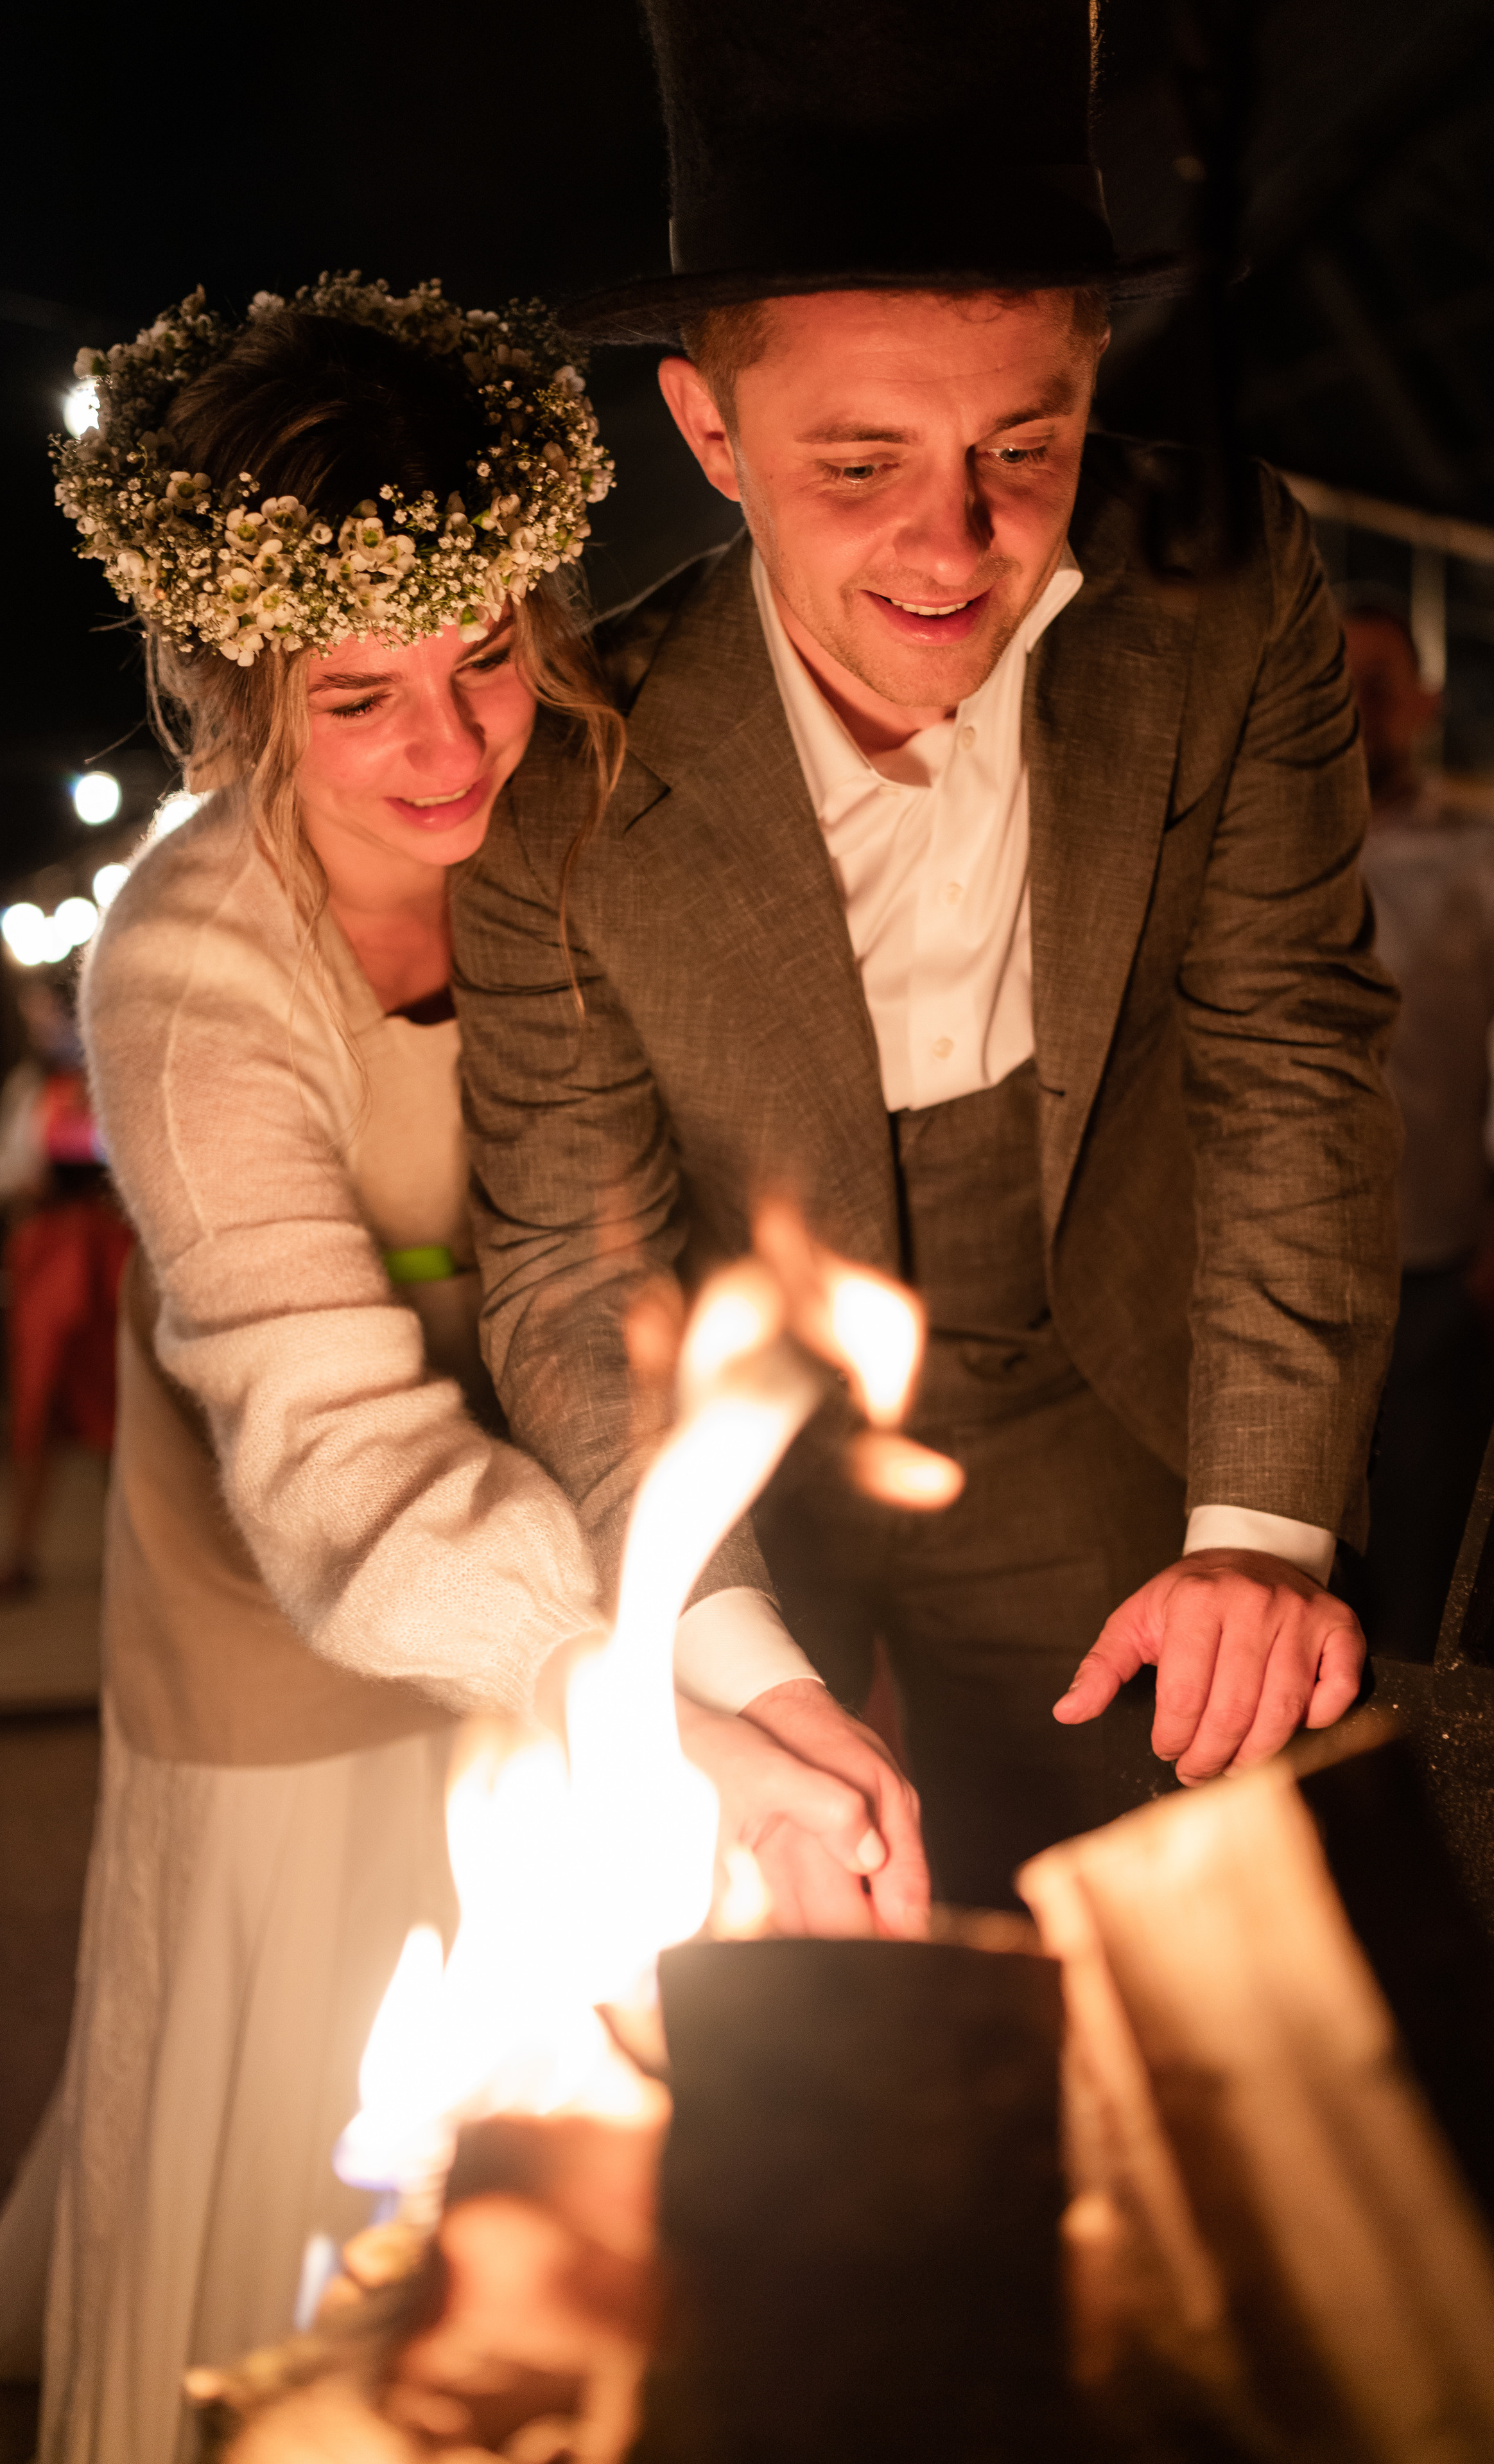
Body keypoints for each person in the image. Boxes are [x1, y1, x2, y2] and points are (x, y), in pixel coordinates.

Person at [0, 275, 926, 2464]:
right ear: (234, 688)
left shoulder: (591, 820)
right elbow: (342, 1469)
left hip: (607, 1531)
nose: (457, 746)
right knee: (320, 2163)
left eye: (491, 654)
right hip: (299, 1598)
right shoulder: (194, 960)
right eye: (362, 693)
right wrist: (667, 1707)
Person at [451, 0, 1401, 1911]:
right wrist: (720, 1673)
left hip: (1115, 1432)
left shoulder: (1223, 594)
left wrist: (1260, 1535)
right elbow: (572, 1273)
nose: (953, 545)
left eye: (1018, 445)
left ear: (1093, 368)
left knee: (1215, 2016)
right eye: (859, 462)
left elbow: (1289, 1058)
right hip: (740, 1468)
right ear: (708, 428)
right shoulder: (563, 783)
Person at [1342, 590, 1494, 1657]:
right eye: (1331, 682)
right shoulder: (1233, 839)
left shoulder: (1479, 857)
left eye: (1377, 686)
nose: (1351, 708)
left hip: (1430, 1263)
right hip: (1233, 1264)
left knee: (1413, 1553)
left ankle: (1384, 1794)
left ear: (1422, 703)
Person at [0, 979, 133, 1591]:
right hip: (47, 1261)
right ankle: (18, 1551)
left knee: (120, 1404)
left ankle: (132, 1558)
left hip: (110, 1254)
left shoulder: (116, 1076)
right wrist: (31, 1179)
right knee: (35, 1401)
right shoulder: (30, 1089)